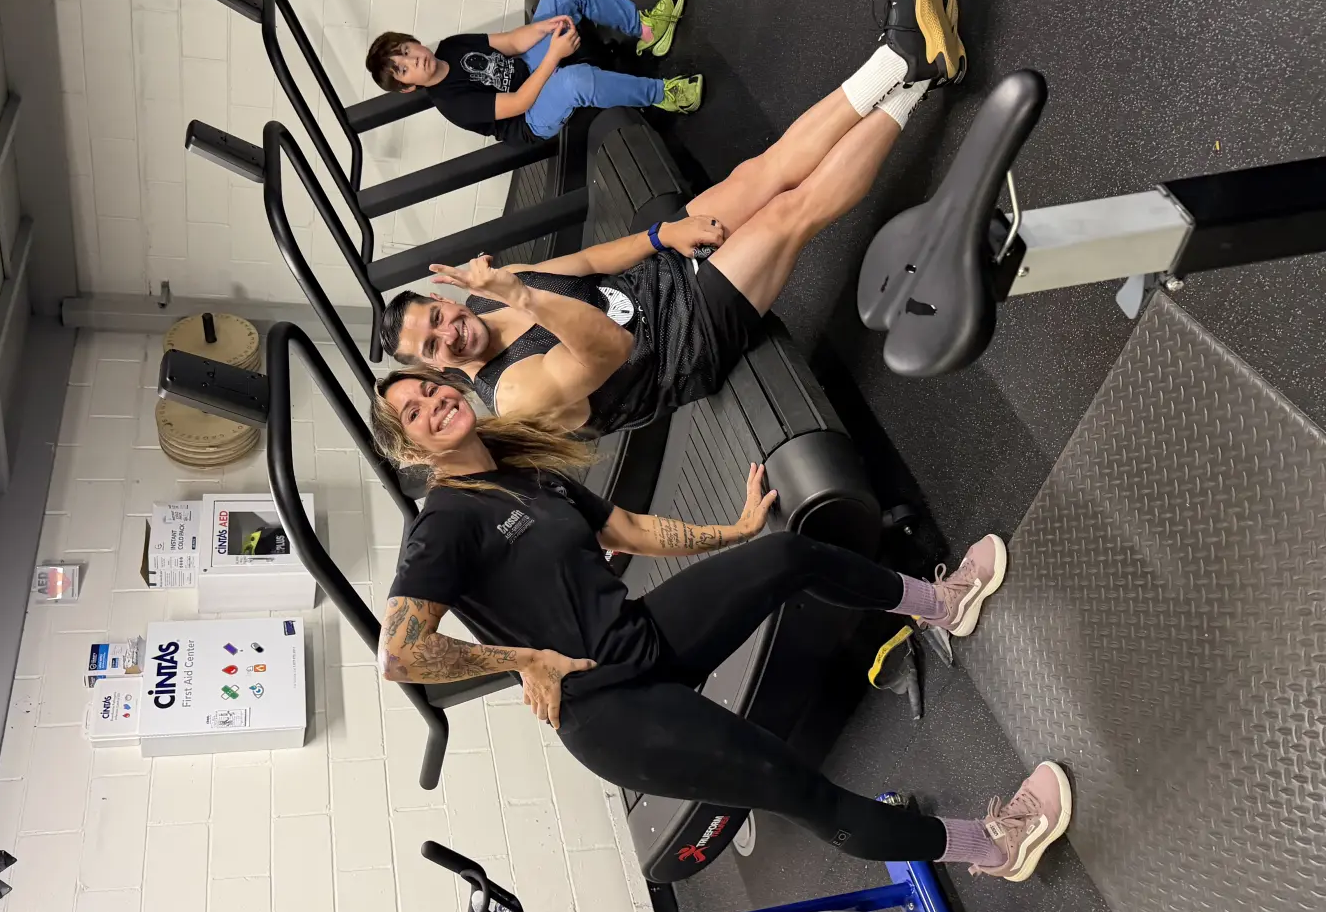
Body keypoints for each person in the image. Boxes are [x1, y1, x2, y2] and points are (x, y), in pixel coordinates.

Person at [369, 372, 1072, 880]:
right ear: (410, 448)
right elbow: (401, 654)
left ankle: (940, 604)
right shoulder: (446, 522)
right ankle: (993, 846)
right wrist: (526, 659)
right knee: (803, 788)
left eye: (432, 389)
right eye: (414, 411)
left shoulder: (524, 475)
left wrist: (732, 531)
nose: (435, 403)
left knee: (785, 552)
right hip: (610, 712)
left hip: (638, 638)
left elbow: (632, 529)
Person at [378, 0, 965, 433]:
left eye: (434, 319)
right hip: (685, 348)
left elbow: (584, 262)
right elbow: (609, 348)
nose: (447, 335)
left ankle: (907, 61)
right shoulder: (513, 395)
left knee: (762, 172)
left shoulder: (483, 299)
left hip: (656, 278)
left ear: (443, 301)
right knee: (788, 212)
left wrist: (663, 234)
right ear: (436, 369)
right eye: (432, 349)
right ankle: (910, 74)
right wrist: (523, 295)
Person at [364, 0, 703, 147]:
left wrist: (544, 27)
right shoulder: (452, 103)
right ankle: (665, 96)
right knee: (575, 81)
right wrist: (554, 56)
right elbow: (520, 101)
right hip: (530, 120)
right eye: (403, 69)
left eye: (406, 51)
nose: (413, 60)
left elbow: (511, 42)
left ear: (414, 42)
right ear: (407, 87)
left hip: (527, 67)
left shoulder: (451, 47)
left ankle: (645, 30)